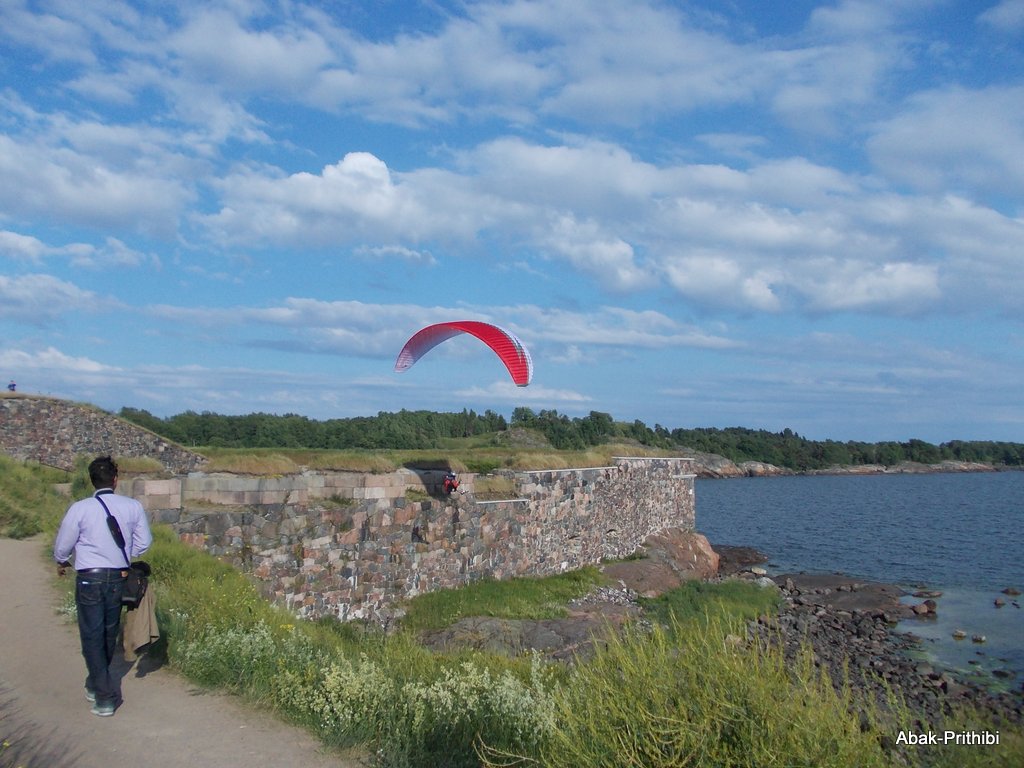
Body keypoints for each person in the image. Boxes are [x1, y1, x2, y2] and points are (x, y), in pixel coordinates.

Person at [54, 455, 152, 717]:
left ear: (91, 480)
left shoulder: (80, 508)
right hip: (118, 577)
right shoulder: (132, 506)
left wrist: (62, 560)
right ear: (115, 480)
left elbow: (64, 544)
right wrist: (126, 553)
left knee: (91, 635)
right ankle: (95, 682)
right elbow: (143, 543)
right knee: (108, 633)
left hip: (89, 578)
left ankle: (105, 696)